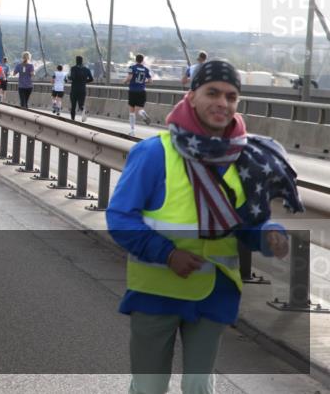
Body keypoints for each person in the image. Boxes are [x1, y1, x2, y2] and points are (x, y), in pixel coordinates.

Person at [107, 60, 298, 394]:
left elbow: (245, 223)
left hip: (215, 292)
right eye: (212, 93)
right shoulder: (155, 153)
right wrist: (166, 254)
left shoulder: (246, 158)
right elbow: (120, 217)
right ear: (191, 95)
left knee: (199, 387)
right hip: (157, 290)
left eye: (231, 96)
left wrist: (269, 237)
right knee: (150, 387)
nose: (222, 103)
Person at [126, 53, 153, 136]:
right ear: (142, 60)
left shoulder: (132, 68)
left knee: (132, 111)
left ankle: (132, 131)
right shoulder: (146, 69)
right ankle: (142, 113)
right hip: (142, 91)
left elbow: (130, 77)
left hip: (133, 91)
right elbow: (151, 81)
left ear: (136, 60)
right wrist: (144, 82)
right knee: (140, 109)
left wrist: (125, 81)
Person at [68, 55, 94, 122]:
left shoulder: (73, 68)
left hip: (74, 89)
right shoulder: (86, 69)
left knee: (73, 105)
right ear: (82, 61)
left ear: (76, 61)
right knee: (81, 105)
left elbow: (72, 77)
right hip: (82, 89)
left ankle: (72, 120)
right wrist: (85, 81)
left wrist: (69, 77)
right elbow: (91, 79)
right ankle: (83, 110)